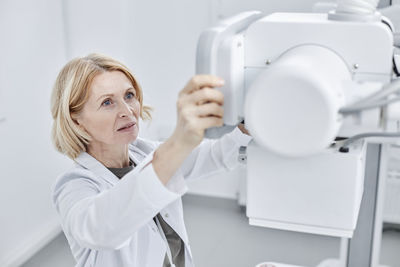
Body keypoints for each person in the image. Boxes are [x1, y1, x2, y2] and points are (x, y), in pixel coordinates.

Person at [51, 53, 252, 267]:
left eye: (129, 95)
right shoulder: (74, 185)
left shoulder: (144, 151)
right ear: (77, 120)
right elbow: (101, 228)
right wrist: (178, 142)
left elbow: (212, 156)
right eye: (107, 102)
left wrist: (249, 126)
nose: (127, 111)